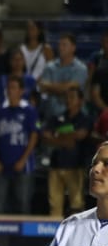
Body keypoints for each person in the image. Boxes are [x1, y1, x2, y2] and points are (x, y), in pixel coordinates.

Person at [0, 76, 40, 214]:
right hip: (2, 165)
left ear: (21, 91)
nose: (10, 91)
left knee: (23, 203)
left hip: (23, 166)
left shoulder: (29, 110)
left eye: (13, 87)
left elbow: (34, 136)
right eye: (8, 88)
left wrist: (23, 160)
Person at [43, 88, 94, 216]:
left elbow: (81, 135)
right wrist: (67, 139)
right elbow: (45, 136)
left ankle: (76, 229)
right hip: (55, 164)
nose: (68, 100)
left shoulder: (85, 119)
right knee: (54, 205)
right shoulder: (57, 118)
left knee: (76, 205)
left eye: (72, 97)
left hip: (75, 165)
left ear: (80, 101)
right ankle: (55, 229)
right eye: (67, 97)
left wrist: (57, 136)